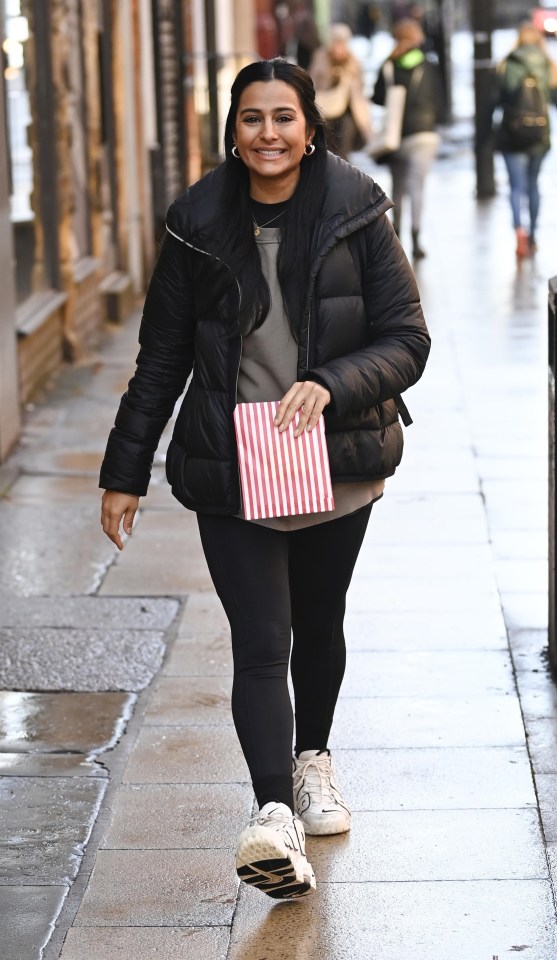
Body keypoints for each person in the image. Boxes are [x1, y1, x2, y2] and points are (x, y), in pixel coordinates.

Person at [99, 58, 430, 901]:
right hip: (234, 462)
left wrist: (335, 383)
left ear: (310, 128)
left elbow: (405, 339)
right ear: (233, 131)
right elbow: (162, 357)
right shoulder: (195, 223)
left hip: (333, 457)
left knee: (318, 626)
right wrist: (124, 469)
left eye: (284, 117)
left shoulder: (356, 211)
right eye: (252, 118)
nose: (268, 133)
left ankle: (312, 758)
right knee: (261, 641)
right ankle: (272, 816)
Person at [372, 18, 444, 259]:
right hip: (424, 134)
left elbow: (378, 97)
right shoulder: (428, 64)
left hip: (396, 135)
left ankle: (397, 237)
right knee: (417, 188)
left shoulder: (389, 65)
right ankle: (416, 238)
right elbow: (439, 100)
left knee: (398, 188)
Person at [494, 22, 557, 259]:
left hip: (512, 134)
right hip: (540, 135)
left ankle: (518, 230)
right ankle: (533, 235)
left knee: (516, 186)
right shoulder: (549, 66)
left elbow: (495, 100)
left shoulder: (506, 65)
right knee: (533, 185)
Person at [309, 23, 372, 158]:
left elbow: (360, 87)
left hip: (349, 110)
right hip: (325, 109)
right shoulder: (321, 56)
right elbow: (312, 81)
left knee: (345, 145)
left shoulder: (353, 60)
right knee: (327, 144)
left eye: (342, 43)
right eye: (336, 42)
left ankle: (342, 169)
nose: (339, 47)